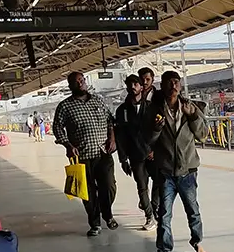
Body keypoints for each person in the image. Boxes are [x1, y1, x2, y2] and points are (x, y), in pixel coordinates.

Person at [145, 70, 208, 252]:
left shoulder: (191, 108)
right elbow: (147, 140)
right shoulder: (153, 110)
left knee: (193, 210)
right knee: (164, 215)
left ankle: (197, 241)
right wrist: (156, 129)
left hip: (188, 170)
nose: (174, 86)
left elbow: (203, 135)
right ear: (162, 86)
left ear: (180, 86)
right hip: (165, 172)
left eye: (176, 82)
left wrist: (193, 117)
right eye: (169, 83)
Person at [53, 71, 118, 236]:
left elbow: (110, 120)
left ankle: (107, 213)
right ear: (70, 86)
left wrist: (112, 139)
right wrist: (67, 144)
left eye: (82, 80)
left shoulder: (98, 100)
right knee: (88, 193)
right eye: (76, 82)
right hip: (81, 156)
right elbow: (57, 127)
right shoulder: (65, 106)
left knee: (109, 186)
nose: (80, 83)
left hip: (103, 152)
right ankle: (95, 223)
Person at [115, 74, 157, 231]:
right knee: (142, 186)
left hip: (153, 154)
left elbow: (158, 130)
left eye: (136, 84)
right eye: (130, 84)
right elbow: (120, 136)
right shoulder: (122, 111)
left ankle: (154, 207)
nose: (133, 86)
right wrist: (122, 159)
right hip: (134, 155)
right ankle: (149, 216)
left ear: (141, 87)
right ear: (127, 87)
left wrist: (155, 150)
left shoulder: (152, 107)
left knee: (159, 183)